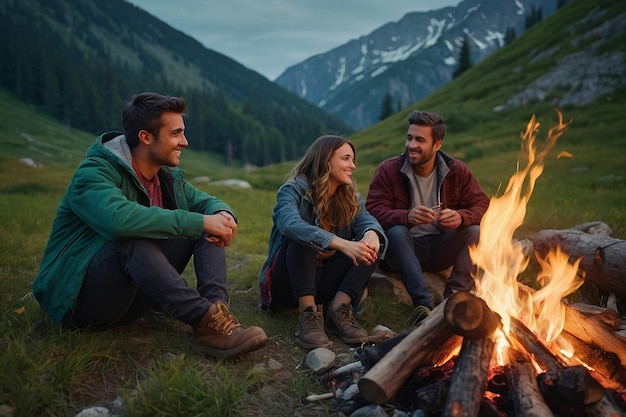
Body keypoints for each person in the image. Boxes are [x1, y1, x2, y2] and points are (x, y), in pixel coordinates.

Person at [33, 92, 267, 359]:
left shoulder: (164, 177)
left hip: (132, 300)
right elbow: (118, 220)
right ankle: (202, 316)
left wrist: (224, 216)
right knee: (132, 237)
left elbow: (207, 203)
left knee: (206, 225)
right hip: (78, 304)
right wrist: (200, 220)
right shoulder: (93, 173)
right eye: (176, 133)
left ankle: (217, 318)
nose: (185, 142)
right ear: (146, 137)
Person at [259, 135, 387, 349]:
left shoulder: (349, 196)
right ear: (326, 160)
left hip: (326, 283)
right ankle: (308, 314)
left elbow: (367, 220)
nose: (352, 166)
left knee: (369, 245)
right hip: (290, 283)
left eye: (353, 160)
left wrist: (372, 233)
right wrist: (341, 243)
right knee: (303, 238)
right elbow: (288, 223)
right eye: (346, 159)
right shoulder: (292, 190)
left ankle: (339, 310)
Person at [366, 110, 489, 318]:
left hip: (441, 248)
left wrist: (461, 217)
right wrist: (406, 217)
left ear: (437, 144)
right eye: (409, 138)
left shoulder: (457, 171)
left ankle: (453, 299)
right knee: (396, 232)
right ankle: (423, 306)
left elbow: (482, 204)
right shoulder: (388, 170)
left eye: (420, 140)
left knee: (475, 231)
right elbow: (372, 210)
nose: (411, 145)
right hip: (403, 250)